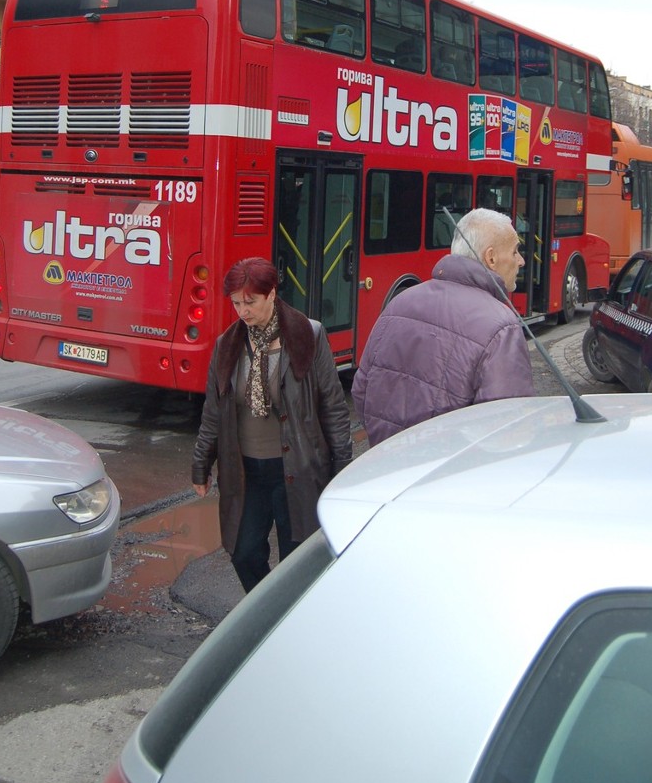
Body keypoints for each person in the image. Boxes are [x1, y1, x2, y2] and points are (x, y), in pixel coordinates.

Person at [191, 258, 352, 592]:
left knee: (296, 559)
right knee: (243, 552)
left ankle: (290, 623)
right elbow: (213, 411)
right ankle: (267, 610)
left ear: (271, 294)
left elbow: (333, 405)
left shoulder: (309, 334)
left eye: (250, 302)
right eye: (236, 303)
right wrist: (201, 464)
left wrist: (341, 468)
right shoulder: (228, 345)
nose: (242, 311)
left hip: (297, 468)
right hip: (246, 473)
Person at [351, 208, 535, 446]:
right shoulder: (502, 326)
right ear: (491, 258)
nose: (521, 260)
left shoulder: (399, 303)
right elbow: (509, 430)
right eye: (515, 250)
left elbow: (361, 390)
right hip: (452, 478)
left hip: (389, 469)